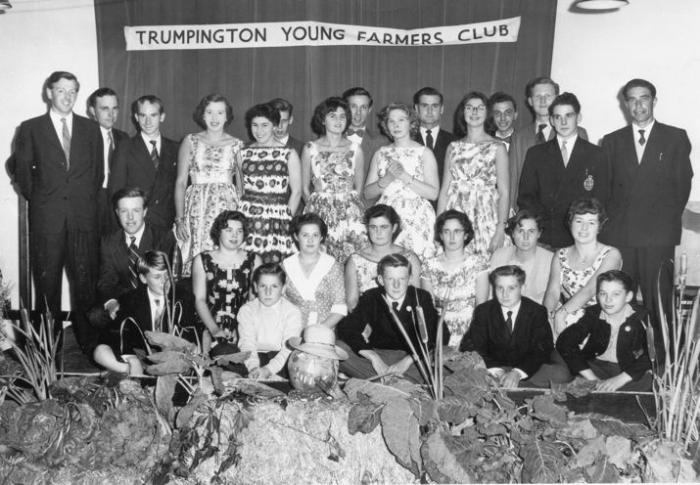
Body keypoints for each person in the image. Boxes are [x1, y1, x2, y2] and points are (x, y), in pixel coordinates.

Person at [12, 71, 102, 347]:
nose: (67, 96)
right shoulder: (30, 129)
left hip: (82, 220)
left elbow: (97, 175)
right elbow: (24, 176)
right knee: (47, 285)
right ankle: (48, 348)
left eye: (72, 91)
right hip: (47, 221)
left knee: (85, 286)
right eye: (61, 90)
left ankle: (90, 347)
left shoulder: (90, 128)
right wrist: (44, 201)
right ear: (49, 93)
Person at [601, 78, 693, 334]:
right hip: (622, 236)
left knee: (659, 302)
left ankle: (665, 363)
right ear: (625, 104)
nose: (638, 104)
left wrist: (662, 223)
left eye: (644, 98)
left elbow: (682, 186)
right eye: (632, 99)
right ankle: (619, 359)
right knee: (619, 300)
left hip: (658, 235)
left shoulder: (675, 137)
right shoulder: (612, 141)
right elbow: (606, 189)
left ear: (654, 101)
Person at [518, 92, 610, 249]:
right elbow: (526, 198)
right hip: (547, 237)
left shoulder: (597, 154)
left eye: (569, 115)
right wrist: (542, 224)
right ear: (552, 120)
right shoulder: (536, 153)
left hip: (581, 238)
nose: (563, 121)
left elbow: (603, 198)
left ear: (578, 118)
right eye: (558, 117)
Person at [337, 253, 443, 383]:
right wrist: (374, 358)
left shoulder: (421, 297)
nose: (396, 285)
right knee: (338, 349)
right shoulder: (372, 297)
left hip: (413, 360)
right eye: (390, 279)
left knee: (440, 356)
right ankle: (397, 383)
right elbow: (347, 328)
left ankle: (382, 382)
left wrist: (407, 361)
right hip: (379, 356)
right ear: (381, 280)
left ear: (409, 279)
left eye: (402, 279)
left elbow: (435, 332)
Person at [174, 94, 244, 276]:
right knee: (197, 259)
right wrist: (180, 218)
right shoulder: (190, 141)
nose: (215, 118)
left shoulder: (237, 145)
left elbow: (241, 187)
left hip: (226, 209)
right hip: (197, 210)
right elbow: (181, 182)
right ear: (202, 115)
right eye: (210, 112)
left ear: (227, 116)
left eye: (220, 113)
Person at [364, 102, 439, 262]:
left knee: (416, 265)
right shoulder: (381, 153)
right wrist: (387, 179)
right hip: (387, 217)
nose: (396, 125)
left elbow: (433, 193)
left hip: (417, 217)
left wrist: (404, 176)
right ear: (386, 125)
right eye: (391, 121)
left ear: (411, 123)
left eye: (401, 120)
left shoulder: (424, 153)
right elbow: (367, 193)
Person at [437, 91, 509, 256]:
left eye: (480, 108)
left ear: (487, 113)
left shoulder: (498, 147)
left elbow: (504, 193)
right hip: (456, 213)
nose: (474, 112)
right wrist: (439, 226)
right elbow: (444, 192)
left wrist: (500, 228)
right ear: (463, 113)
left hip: (486, 215)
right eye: (469, 108)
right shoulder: (453, 147)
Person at [555, 270, 653, 392]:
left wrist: (621, 379)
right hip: (596, 367)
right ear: (597, 295)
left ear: (628, 296)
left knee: (648, 381)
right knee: (576, 382)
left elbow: (656, 350)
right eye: (603, 293)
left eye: (616, 294)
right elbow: (565, 341)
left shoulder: (642, 316)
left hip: (627, 368)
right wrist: (592, 378)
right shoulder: (593, 313)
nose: (608, 300)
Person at [460, 265, 554, 389]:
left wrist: (517, 373)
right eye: (500, 288)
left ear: (522, 288)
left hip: (525, 368)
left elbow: (542, 349)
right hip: (494, 367)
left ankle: (517, 384)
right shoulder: (484, 311)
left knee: (559, 374)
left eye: (511, 288)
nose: (505, 294)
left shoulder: (537, 311)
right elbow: (472, 345)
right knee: (466, 370)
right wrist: (496, 370)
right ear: (494, 288)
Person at [93, 250, 183, 375]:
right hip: (144, 355)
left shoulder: (182, 297)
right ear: (143, 278)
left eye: (167, 275)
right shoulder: (131, 299)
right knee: (100, 351)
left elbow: (188, 334)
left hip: (174, 358)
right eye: (157, 277)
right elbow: (118, 331)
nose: (165, 281)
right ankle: (128, 370)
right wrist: (131, 358)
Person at [543, 198, 622, 339]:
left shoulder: (611, 254)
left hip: (601, 319)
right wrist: (546, 317)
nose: (584, 228)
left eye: (591, 223)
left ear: (599, 226)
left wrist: (562, 313)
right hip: (567, 317)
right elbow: (553, 292)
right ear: (570, 223)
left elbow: (591, 289)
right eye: (579, 221)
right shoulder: (560, 255)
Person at [302, 96, 367, 261]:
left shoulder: (355, 149)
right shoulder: (310, 149)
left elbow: (359, 189)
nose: (338, 120)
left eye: (342, 116)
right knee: (321, 260)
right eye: (332, 116)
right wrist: (318, 204)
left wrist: (346, 207)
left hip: (349, 215)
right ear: (323, 120)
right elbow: (303, 188)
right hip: (320, 212)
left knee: (353, 260)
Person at [95, 187, 175, 320]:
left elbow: (170, 279)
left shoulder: (163, 237)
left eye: (136, 211)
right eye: (124, 211)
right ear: (117, 213)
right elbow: (106, 280)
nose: (130, 217)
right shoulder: (108, 241)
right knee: (96, 315)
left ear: (144, 212)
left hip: (154, 298)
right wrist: (112, 302)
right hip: (124, 301)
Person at [509, 77, 590, 207]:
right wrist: (511, 209)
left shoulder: (578, 133)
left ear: (556, 98)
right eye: (537, 96)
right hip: (528, 212)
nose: (542, 101)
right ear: (530, 101)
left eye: (548, 96)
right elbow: (512, 178)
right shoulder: (518, 137)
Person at [239, 103, 302, 263]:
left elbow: (296, 192)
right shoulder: (242, 153)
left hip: (277, 219)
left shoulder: (288, 153)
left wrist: (286, 220)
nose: (259, 131)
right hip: (248, 218)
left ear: (275, 125)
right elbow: (240, 190)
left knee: (274, 266)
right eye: (255, 125)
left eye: (264, 125)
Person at [192, 210, 261, 354]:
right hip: (208, 325)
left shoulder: (254, 260)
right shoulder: (202, 260)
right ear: (218, 232)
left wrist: (243, 329)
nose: (234, 235)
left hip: (244, 326)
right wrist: (214, 329)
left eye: (239, 231)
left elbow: (254, 302)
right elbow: (199, 300)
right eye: (229, 230)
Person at [109, 95, 178, 232]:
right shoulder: (125, 147)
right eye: (142, 115)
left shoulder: (175, 148)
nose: (147, 121)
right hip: (137, 225)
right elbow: (117, 191)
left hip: (167, 226)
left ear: (162, 117)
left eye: (153, 115)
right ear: (136, 117)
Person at [421, 210, 489, 347]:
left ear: (466, 235)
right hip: (439, 333)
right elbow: (428, 309)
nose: (452, 237)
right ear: (440, 235)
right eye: (446, 231)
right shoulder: (429, 265)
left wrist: (471, 340)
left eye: (457, 231)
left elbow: (481, 309)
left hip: (470, 333)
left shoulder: (478, 264)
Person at [345, 204, 421, 311]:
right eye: (373, 227)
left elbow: (416, 299)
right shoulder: (355, 261)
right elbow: (352, 302)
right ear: (367, 228)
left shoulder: (410, 258)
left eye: (384, 227)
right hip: (367, 322)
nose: (378, 232)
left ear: (394, 228)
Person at [237, 263, 303, 379]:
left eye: (274, 286)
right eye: (263, 286)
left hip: (280, 358)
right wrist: (253, 367)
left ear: (283, 288)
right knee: (222, 352)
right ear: (255, 287)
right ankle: (253, 375)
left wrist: (268, 370)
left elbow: (288, 348)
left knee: (298, 362)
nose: (268, 292)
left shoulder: (292, 312)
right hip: (254, 356)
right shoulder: (247, 310)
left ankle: (273, 378)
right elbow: (247, 343)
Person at [282, 213, 347, 328]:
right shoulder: (286, 265)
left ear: (321, 237)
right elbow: (280, 301)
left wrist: (319, 330)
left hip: (324, 329)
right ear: (296, 236)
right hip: (290, 328)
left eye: (315, 235)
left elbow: (340, 307)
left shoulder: (332, 265)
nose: (310, 240)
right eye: (305, 235)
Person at [87, 87, 129, 236]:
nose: (111, 114)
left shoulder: (124, 138)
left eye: (115, 108)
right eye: (105, 108)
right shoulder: (83, 136)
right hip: (91, 202)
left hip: (117, 200)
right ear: (92, 110)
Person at [490, 210, 553, 304]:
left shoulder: (551, 260)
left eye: (531, 231)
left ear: (539, 234)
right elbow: (490, 293)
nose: (526, 237)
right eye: (520, 231)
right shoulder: (499, 256)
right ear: (513, 234)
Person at [412, 86, 457, 187]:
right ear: (416, 108)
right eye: (424, 105)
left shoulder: (455, 142)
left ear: (441, 109)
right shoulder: (407, 140)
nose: (429, 111)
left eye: (435, 106)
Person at [342, 87, 386, 184]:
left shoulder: (382, 142)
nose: (358, 113)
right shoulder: (330, 140)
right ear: (345, 109)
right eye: (353, 106)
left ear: (369, 110)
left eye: (363, 107)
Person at [488, 92, 520, 213]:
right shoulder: (484, 143)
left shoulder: (524, 143)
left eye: (508, 113)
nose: (502, 118)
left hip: (515, 210)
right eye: (497, 113)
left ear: (515, 115)